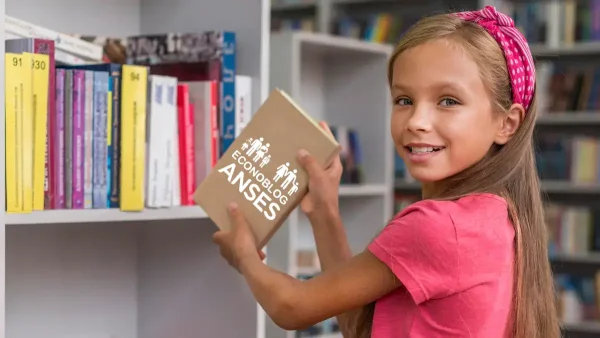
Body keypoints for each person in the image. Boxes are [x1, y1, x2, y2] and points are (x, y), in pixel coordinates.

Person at [212, 6, 561, 338]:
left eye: (448, 101)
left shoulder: (436, 226)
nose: (417, 122)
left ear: (507, 123)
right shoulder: (495, 216)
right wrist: (323, 211)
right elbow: (360, 326)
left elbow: (292, 307)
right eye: (404, 100)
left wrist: (244, 255)